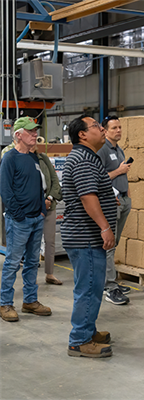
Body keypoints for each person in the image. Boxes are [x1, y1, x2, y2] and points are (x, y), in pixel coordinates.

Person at [61, 115, 117, 358]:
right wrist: (105, 227)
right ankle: (79, 341)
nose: (102, 129)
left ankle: (88, 330)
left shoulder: (87, 157)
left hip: (85, 236)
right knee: (88, 288)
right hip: (86, 237)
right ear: (82, 134)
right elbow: (87, 196)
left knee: (91, 286)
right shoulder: (83, 159)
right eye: (96, 126)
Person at [0, 117, 51, 322]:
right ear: (18, 135)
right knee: (13, 263)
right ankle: (5, 303)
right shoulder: (9, 158)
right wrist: (19, 215)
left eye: (35, 131)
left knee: (32, 262)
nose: (35, 134)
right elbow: (5, 190)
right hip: (19, 221)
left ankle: (30, 301)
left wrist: (41, 211)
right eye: (30, 131)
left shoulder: (33, 158)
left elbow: (39, 186)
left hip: (36, 219)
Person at [97, 115, 132, 305]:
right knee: (108, 245)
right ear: (104, 130)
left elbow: (124, 174)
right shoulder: (102, 150)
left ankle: (111, 281)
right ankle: (108, 286)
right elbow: (99, 178)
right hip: (112, 202)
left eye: (119, 127)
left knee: (114, 243)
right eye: (114, 128)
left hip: (124, 200)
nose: (118, 131)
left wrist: (128, 195)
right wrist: (118, 171)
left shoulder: (119, 149)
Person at [35, 146, 63, 285]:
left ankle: (50, 274)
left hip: (49, 205)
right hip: (33, 207)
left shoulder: (43, 158)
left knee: (50, 241)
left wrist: (50, 198)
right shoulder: (22, 159)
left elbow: (55, 181)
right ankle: (31, 277)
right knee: (32, 243)